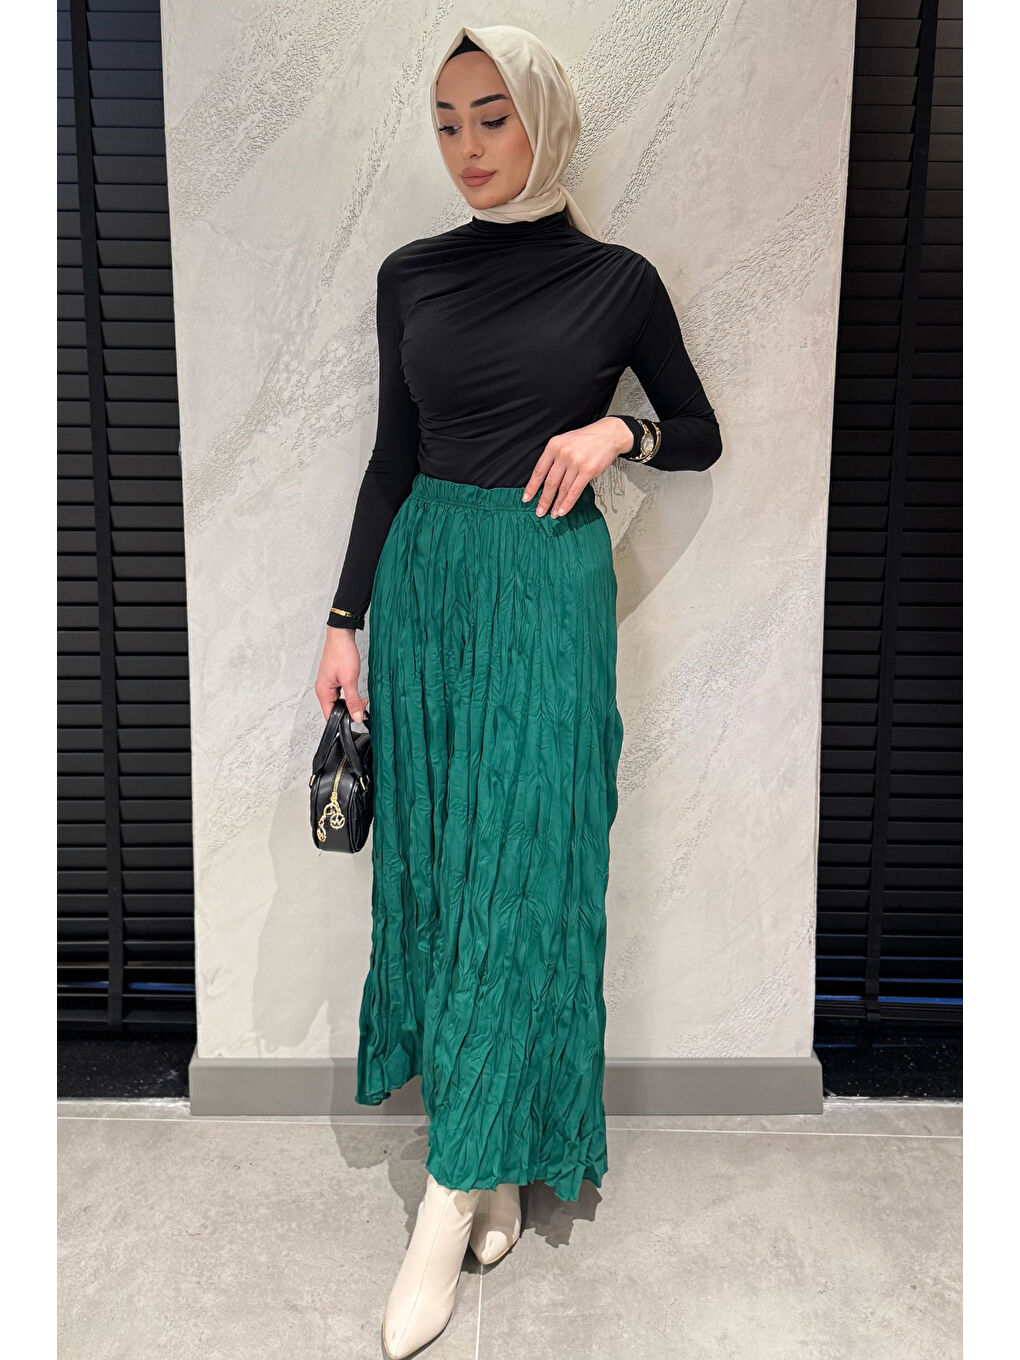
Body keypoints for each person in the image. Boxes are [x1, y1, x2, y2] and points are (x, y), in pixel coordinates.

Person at [313, 24, 722, 1359]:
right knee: (442, 869)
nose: (469, 148)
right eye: (446, 122)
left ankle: (448, 1201)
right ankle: (486, 1160)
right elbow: (391, 459)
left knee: (521, 873)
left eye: (493, 116)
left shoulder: (617, 282)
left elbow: (700, 430)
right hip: (429, 591)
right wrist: (344, 620)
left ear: (544, 119)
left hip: (546, 595)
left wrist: (617, 431)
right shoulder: (409, 275)